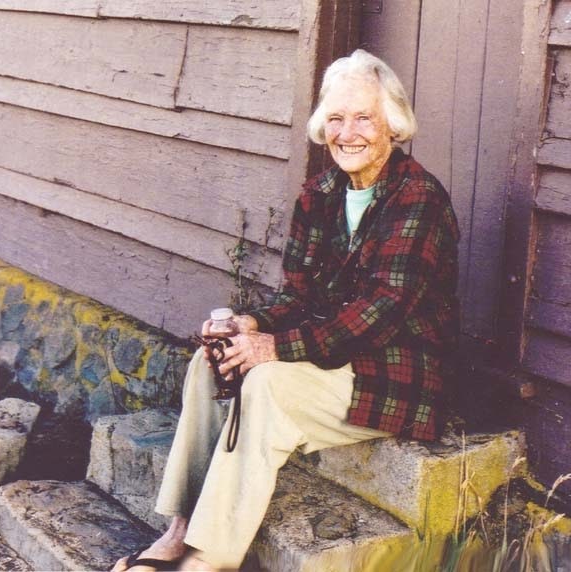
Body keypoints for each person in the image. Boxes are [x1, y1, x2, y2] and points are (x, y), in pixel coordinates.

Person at [112, 48, 459, 572]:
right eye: (336, 118)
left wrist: (274, 347)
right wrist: (250, 325)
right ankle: (180, 529)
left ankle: (209, 558)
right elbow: (297, 296)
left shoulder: (418, 199)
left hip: (395, 373)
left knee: (267, 384)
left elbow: (380, 311)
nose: (348, 132)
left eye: (364, 117)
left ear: (393, 123)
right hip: (332, 355)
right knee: (214, 359)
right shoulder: (319, 194)